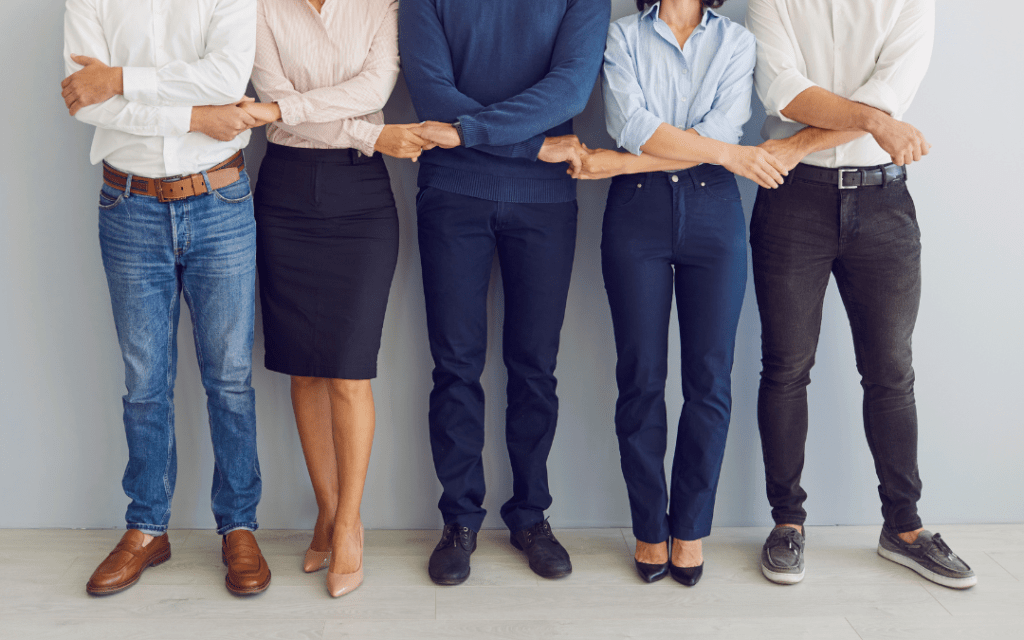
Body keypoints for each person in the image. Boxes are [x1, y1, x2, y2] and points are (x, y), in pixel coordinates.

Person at [745, 0, 976, 588]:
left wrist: (801, 142)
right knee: (786, 367)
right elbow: (785, 93)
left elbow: (887, 101)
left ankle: (903, 528)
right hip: (792, 198)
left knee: (892, 371)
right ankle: (788, 525)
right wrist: (873, 122)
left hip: (882, 202)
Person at [398, 0, 610, 585]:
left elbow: (570, 91)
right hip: (453, 196)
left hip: (545, 204)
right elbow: (433, 94)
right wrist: (529, 145)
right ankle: (459, 520)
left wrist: (474, 133)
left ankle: (531, 516)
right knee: (456, 366)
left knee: (535, 367)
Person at [62, 0, 271, 595]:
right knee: (144, 380)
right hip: (128, 205)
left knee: (229, 376)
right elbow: (86, 100)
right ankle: (148, 526)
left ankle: (238, 526)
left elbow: (227, 80)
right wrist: (194, 117)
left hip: (220, 201)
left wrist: (122, 78)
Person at [578, 0, 786, 586]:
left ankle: (690, 529)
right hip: (637, 212)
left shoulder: (738, 42)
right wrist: (725, 154)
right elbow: (630, 124)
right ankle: (649, 527)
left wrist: (623, 162)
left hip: (713, 209)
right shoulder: (620, 37)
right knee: (640, 376)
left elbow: (725, 126)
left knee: (709, 379)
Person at [245, 0, 430, 598]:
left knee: (350, 373)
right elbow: (271, 94)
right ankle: (325, 510)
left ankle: (350, 523)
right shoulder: (262, 8)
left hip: (361, 194)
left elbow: (372, 85)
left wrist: (287, 112)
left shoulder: (382, 6)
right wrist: (372, 130)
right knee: (302, 369)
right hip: (284, 189)